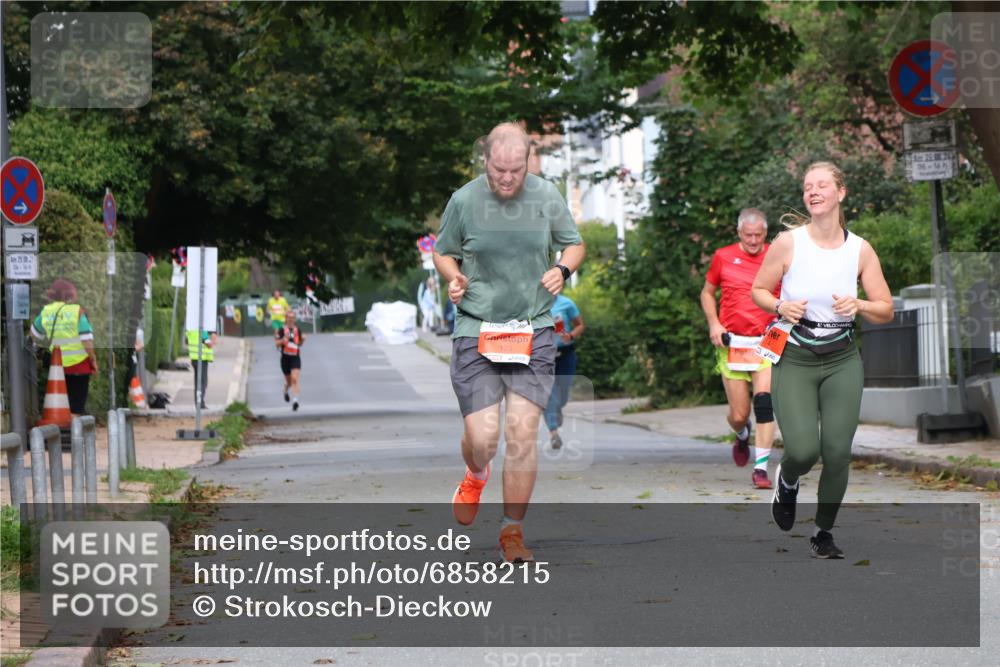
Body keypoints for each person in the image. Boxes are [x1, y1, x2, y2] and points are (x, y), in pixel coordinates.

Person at [433, 122, 585, 563]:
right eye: (499, 170)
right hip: (477, 328)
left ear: (527, 163)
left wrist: (563, 270)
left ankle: (511, 532)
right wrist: (454, 276)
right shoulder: (464, 200)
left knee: (522, 433)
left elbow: (573, 245)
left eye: (515, 170)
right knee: (483, 437)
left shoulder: (546, 196)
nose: (507, 178)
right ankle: (476, 472)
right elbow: (443, 250)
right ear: (486, 161)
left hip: (533, 330)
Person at [751, 161, 893, 559]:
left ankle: (823, 532)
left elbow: (886, 308)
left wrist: (860, 303)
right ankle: (788, 481)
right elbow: (758, 290)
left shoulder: (859, 249)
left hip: (843, 359)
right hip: (795, 356)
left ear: (840, 193)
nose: (813, 192)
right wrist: (781, 305)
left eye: (822, 185)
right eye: (807, 187)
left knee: (836, 452)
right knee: (802, 450)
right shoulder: (788, 242)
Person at [700, 208, 779, 490]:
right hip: (733, 342)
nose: (754, 240)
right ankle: (742, 432)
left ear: (765, 234)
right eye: (749, 235)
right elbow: (707, 292)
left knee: (764, 403)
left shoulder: (776, 255)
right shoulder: (723, 256)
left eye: (759, 235)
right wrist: (714, 324)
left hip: (767, 341)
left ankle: (761, 469)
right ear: (739, 233)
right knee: (739, 414)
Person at [31, 279, 99, 417]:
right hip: (78, 365)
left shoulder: (46, 311)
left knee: (58, 403)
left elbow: (33, 336)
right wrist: (93, 359)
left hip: (55, 366)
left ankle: (60, 434)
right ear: (70, 294)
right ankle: (74, 435)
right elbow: (86, 340)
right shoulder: (77, 312)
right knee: (76, 406)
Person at [543, 293, 584, 450]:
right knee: (549, 394)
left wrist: (571, 335)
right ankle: (554, 432)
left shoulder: (566, 303)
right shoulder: (533, 303)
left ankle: (558, 408)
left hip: (565, 354)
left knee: (563, 393)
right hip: (544, 356)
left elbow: (580, 325)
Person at [275, 310, 305, 411]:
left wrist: (303, 340)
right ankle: (285, 390)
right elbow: (277, 344)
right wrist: (283, 340)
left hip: (295, 357)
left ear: (295, 319)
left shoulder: (298, 330)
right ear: (286, 319)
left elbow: (299, 344)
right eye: (289, 317)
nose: (291, 319)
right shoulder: (281, 330)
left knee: (295, 379)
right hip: (285, 358)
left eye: (293, 317)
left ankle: (295, 401)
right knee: (289, 382)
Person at [186, 328, 218, 409]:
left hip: (194, 359)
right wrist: (213, 340)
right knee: (203, 382)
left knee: (197, 382)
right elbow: (208, 344)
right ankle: (200, 403)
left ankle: (198, 402)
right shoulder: (202, 331)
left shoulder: (191, 330)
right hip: (201, 360)